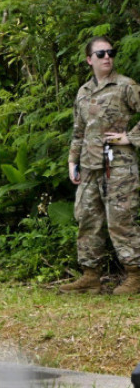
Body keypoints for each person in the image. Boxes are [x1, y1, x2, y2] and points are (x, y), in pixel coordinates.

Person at [61, 37, 140, 294]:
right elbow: (78, 129)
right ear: (89, 59)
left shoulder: (126, 86)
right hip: (89, 165)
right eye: (101, 53)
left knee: (120, 220)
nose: (107, 57)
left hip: (119, 166)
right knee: (87, 218)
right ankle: (91, 276)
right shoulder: (83, 92)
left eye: (110, 52)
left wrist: (130, 137)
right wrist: (73, 160)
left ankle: (135, 275)